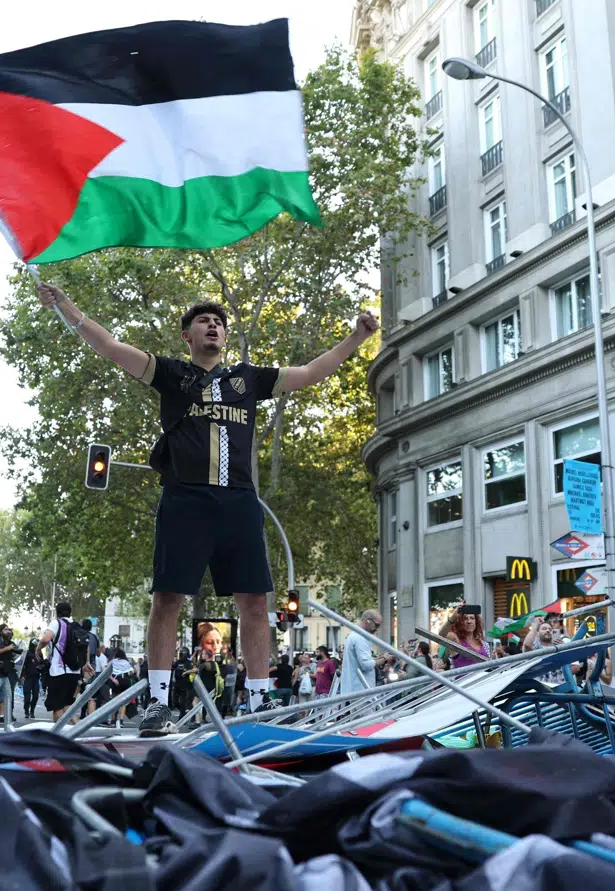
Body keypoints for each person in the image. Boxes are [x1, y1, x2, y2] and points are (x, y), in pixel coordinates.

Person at [38, 282, 379, 736]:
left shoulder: (249, 380)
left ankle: (257, 706)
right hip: (185, 498)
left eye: (219, 322)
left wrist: (356, 337)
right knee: (166, 600)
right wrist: (66, 304)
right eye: (204, 321)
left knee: (255, 603)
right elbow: (110, 346)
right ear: (188, 335)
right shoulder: (170, 374)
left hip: (239, 501)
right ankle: (158, 705)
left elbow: (312, 371)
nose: (214, 325)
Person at [39, 601, 84, 723]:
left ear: (57, 613)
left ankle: (57, 737)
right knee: (67, 705)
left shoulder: (57, 623)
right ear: (70, 613)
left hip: (58, 672)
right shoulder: (76, 626)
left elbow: (46, 639)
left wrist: (38, 649)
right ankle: (78, 729)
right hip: (74, 671)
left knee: (57, 707)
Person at [340, 610, 390, 694]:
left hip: (354, 689)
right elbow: (366, 665)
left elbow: (361, 661)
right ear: (368, 621)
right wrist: (384, 659)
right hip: (360, 691)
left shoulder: (354, 635)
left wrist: (380, 658)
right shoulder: (360, 638)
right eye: (376, 625)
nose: (377, 629)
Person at [20, 638, 44, 719]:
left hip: (36, 677)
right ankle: (26, 710)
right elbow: (22, 665)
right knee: (27, 696)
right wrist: (22, 676)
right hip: (28, 677)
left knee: (35, 696)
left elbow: (42, 663)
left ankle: (32, 710)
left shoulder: (39, 653)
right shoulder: (27, 653)